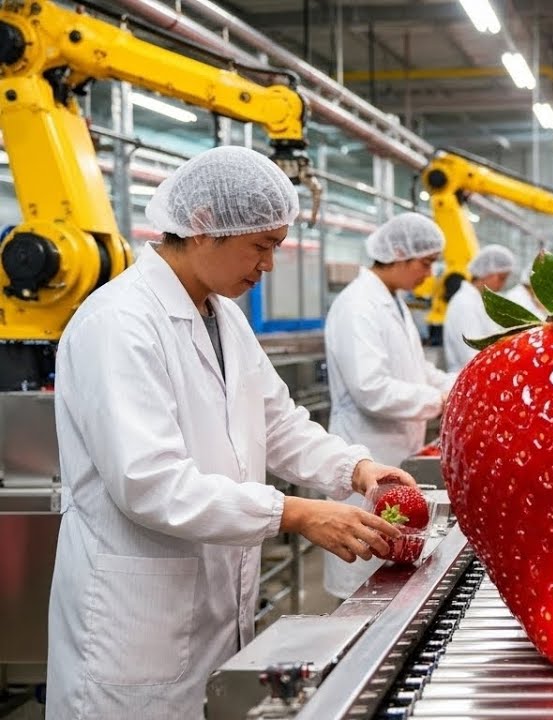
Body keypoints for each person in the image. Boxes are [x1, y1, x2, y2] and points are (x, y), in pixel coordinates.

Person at [45, 146, 413, 719]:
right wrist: (295, 514)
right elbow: (150, 482)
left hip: (212, 603)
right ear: (201, 229)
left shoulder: (224, 315)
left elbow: (278, 420)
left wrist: (355, 469)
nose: (268, 265)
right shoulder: (118, 324)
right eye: (261, 246)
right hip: (137, 622)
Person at [322, 212, 455, 598]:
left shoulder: (393, 302)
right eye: (424, 263)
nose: (428, 275)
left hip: (398, 455)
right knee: (364, 590)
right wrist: (439, 400)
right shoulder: (358, 306)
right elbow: (372, 389)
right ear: (398, 254)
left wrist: (457, 386)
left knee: (393, 581)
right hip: (368, 454)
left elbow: (416, 371)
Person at [443, 244, 516, 371]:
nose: (502, 285)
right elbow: (471, 355)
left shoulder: (478, 301)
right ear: (487, 273)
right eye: (502, 278)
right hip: (468, 377)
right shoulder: (465, 304)